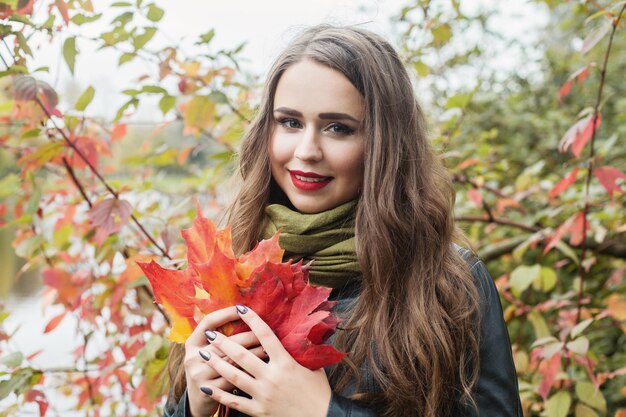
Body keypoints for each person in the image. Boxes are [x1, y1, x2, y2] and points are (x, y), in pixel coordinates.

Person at [163, 24, 522, 417]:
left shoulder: (449, 284)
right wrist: (192, 407)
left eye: (338, 128)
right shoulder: (231, 266)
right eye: (290, 122)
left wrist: (322, 412)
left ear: (383, 144)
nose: (307, 150)